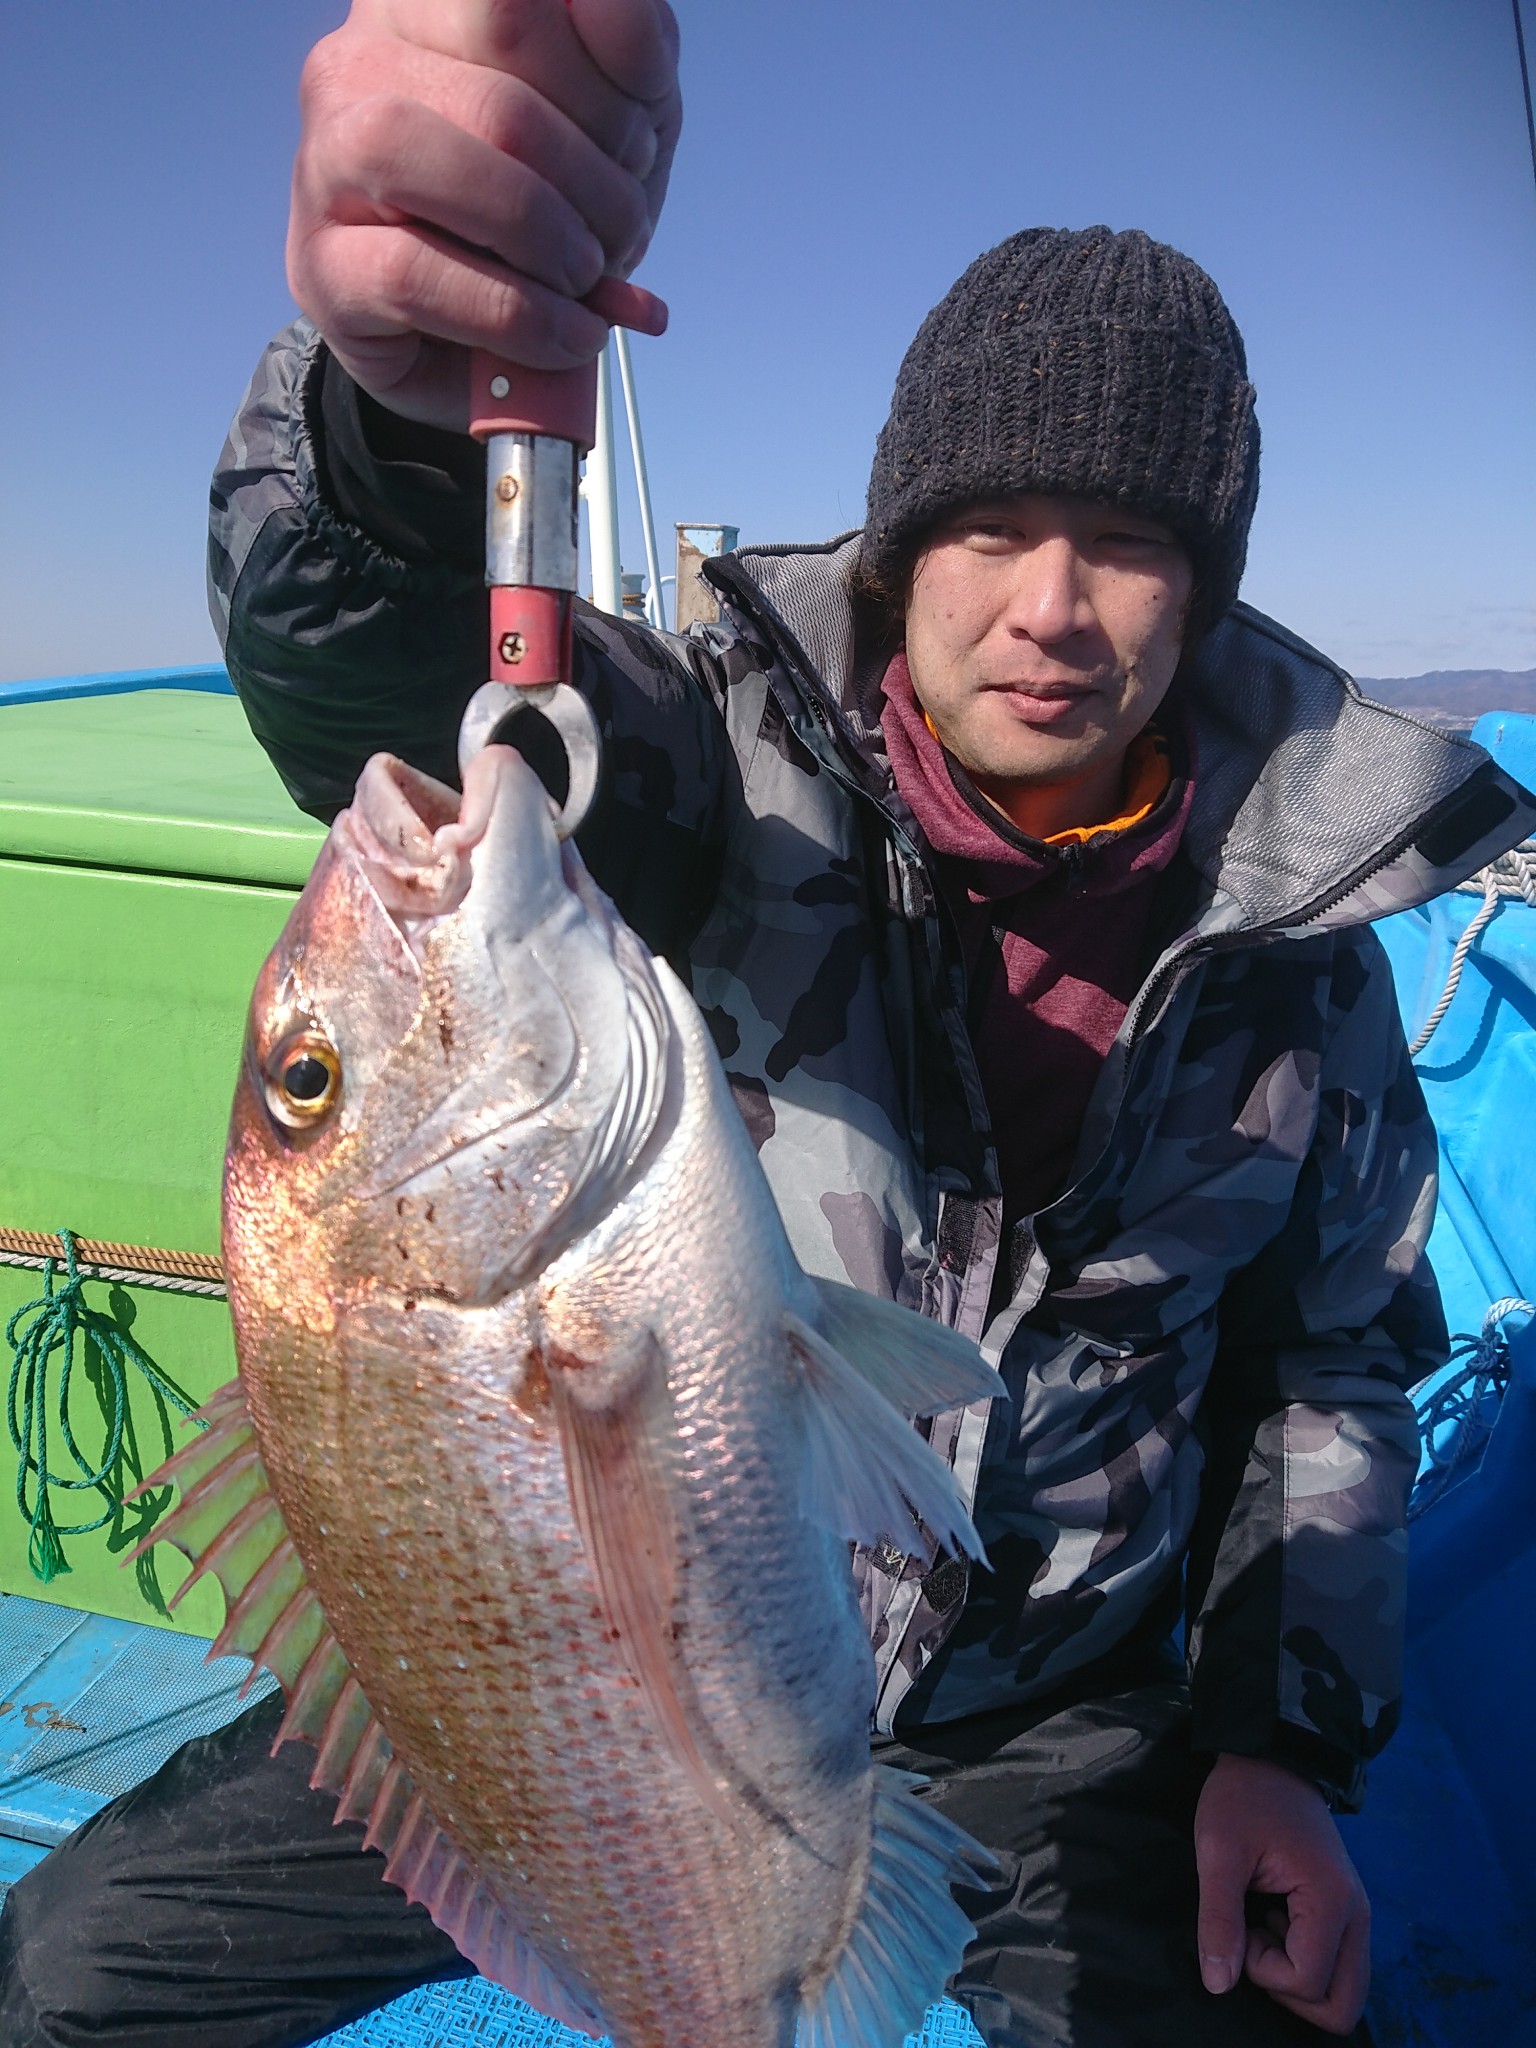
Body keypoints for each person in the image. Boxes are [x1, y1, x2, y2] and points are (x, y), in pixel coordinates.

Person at [4, 5, 1533, 2046]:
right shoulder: (709, 769)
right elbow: (392, 678)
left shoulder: (1305, 948)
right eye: (988, 527)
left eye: (1128, 540)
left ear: (1206, 585)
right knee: (65, 1973)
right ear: (899, 553)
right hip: (548, 1679)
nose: (1051, 604)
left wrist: (1279, 1745)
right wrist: (393, 408)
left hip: (1044, 1708)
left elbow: (1326, 1355)